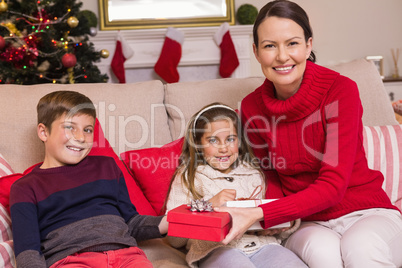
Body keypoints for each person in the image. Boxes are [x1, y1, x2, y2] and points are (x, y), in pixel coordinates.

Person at [214, 1, 402, 267]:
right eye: (270, 46)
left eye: (292, 43)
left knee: (361, 247)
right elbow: (270, 174)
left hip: (366, 212)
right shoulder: (250, 108)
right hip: (307, 221)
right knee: (323, 255)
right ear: (256, 52)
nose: (282, 56)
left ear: (308, 45)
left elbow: (334, 186)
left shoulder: (341, 91)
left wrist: (260, 213)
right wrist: (276, 219)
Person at [9, 90, 168, 268]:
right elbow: (28, 252)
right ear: (44, 132)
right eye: (70, 127)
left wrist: (174, 221)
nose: (81, 137)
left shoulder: (107, 167)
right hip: (71, 261)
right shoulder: (25, 187)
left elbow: (132, 222)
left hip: (127, 256)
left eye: (88, 130)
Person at [165, 103, 307, 268]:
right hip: (217, 249)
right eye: (213, 140)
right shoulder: (189, 176)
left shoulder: (255, 173)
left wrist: (280, 225)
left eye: (230, 139)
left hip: (265, 245)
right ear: (198, 144)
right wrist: (209, 205)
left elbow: (276, 220)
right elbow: (174, 238)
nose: (223, 148)